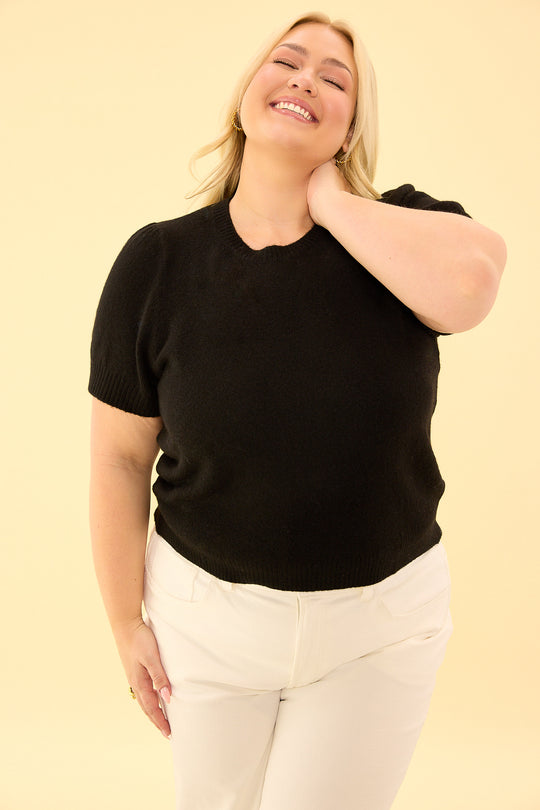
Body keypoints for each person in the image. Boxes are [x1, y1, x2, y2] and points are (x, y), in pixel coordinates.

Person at [89, 12, 506, 810]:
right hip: (206, 620)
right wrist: (123, 622)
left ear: (352, 126)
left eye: (334, 78)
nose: (305, 79)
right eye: (287, 60)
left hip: (377, 629)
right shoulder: (159, 261)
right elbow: (117, 457)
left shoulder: (403, 230)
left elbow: (471, 290)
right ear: (247, 92)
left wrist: (334, 204)